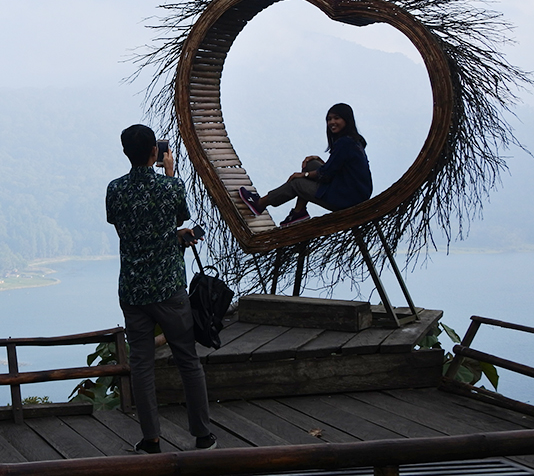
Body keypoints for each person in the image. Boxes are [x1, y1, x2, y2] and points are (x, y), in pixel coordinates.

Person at [106, 124, 217, 454]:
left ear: (126, 153)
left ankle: (151, 439)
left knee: (141, 364)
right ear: (155, 152)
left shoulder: (115, 189)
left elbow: (124, 226)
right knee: (187, 360)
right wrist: (170, 174)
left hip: (133, 290)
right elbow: (178, 215)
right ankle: (202, 436)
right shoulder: (170, 187)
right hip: (168, 287)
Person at [239, 103, 372, 227]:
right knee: (311, 164)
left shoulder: (345, 143)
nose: (332, 122)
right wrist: (316, 164)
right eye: (329, 119)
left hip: (347, 198)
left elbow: (325, 174)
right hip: (353, 191)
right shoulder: (355, 140)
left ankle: (260, 204)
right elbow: (337, 167)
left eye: (336, 118)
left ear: (346, 120)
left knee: (297, 183)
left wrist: (303, 175)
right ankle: (299, 212)